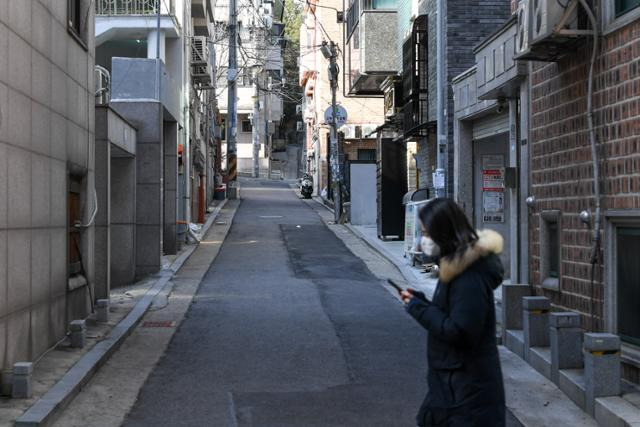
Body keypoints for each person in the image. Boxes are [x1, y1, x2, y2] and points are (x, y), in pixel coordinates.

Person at [401, 198, 506, 427]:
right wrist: (421, 303)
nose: (423, 239)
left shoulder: (468, 276)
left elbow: (460, 331)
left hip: (466, 395)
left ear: (443, 233)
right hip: (453, 389)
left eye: (427, 233)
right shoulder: (454, 269)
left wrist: (418, 309)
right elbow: (450, 315)